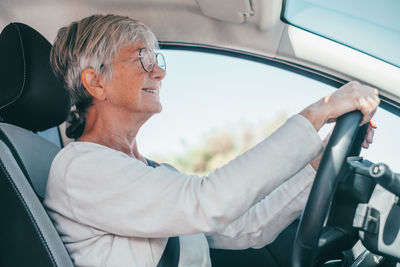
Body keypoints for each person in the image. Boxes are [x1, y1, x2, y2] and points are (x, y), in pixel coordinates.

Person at [44, 14, 380, 267]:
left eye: (157, 60)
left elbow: (247, 228)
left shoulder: (154, 173)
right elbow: (208, 203)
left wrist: (318, 162)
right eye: (143, 59)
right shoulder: (79, 169)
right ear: (96, 82)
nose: (159, 72)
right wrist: (317, 114)